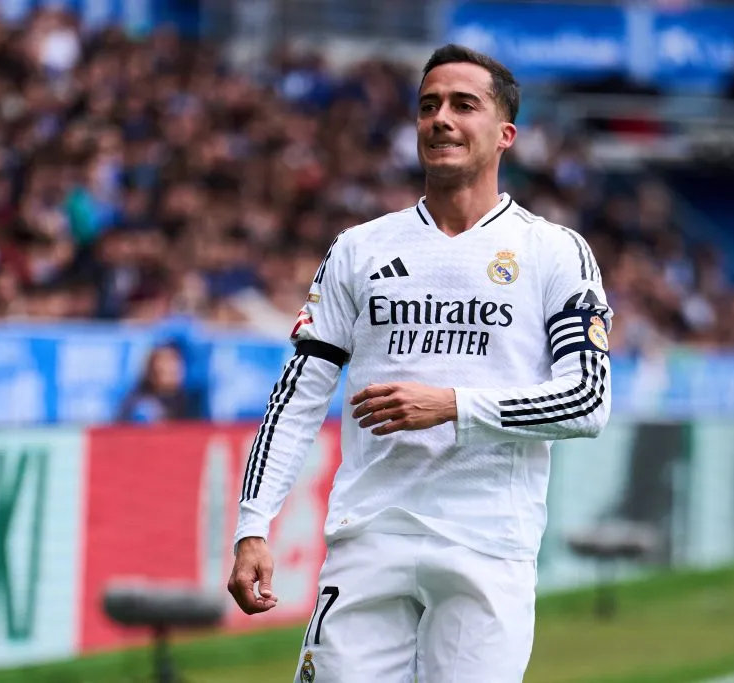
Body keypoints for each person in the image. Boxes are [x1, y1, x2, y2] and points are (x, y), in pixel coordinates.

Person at [227, 44, 612, 682]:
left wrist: (453, 406)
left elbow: (587, 401)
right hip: (369, 535)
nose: (441, 119)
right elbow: (297, 397)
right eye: (429, 105)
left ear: (505, 134)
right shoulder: (358, 249)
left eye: (465, 105)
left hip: (487, 543)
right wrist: (252, 526)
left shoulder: (554, 252)